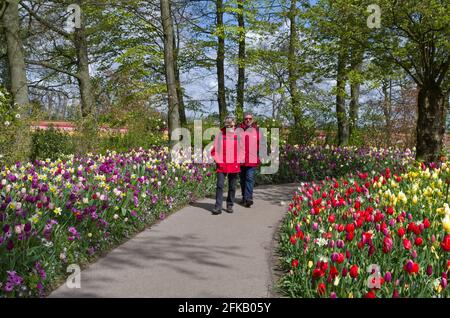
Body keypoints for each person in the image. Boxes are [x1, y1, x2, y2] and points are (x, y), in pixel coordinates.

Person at [211, 117, 243, 215]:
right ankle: (218, 206)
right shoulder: (220, 135)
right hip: (222, 164)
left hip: (234, 164)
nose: (230, 127)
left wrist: (239, 160)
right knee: (220, 185)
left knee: (232, 186)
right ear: (225, 126)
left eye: (232, 126)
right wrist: (218, 161)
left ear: (234, 126)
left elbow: (242, 150)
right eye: (228, 126)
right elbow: (214, 150)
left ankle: (230, 205)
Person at [238, 112, 262, 208]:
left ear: (252, 119)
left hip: (251, 159)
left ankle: (248, 198)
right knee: (243, 179)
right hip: (241, 159)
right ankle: (245, 197)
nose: (248, 120)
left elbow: (261, 144)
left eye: (250, 119)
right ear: (243, 119)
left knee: (249, 178)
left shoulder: (256, 130)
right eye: (246, 118)